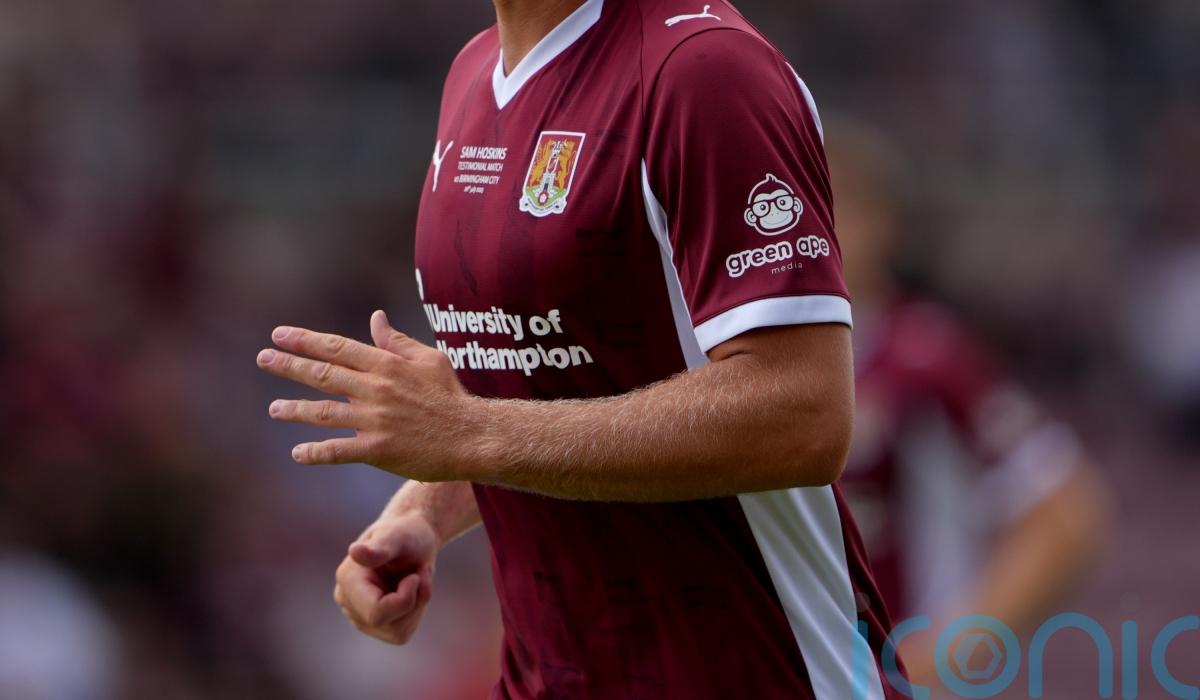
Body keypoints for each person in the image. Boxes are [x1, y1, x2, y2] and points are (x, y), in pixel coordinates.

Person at [257, 1, 905, 697]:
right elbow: (552, 378)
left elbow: (802, 415)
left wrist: (469, 433)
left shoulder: (704, 69)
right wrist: (425, 510)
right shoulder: (474, 71)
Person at [825, 119, 1109, 689]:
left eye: (838, 204)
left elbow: (1065, 514)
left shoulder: (924, 356)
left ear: (886, 225)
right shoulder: (745, 362)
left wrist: (955, 652)